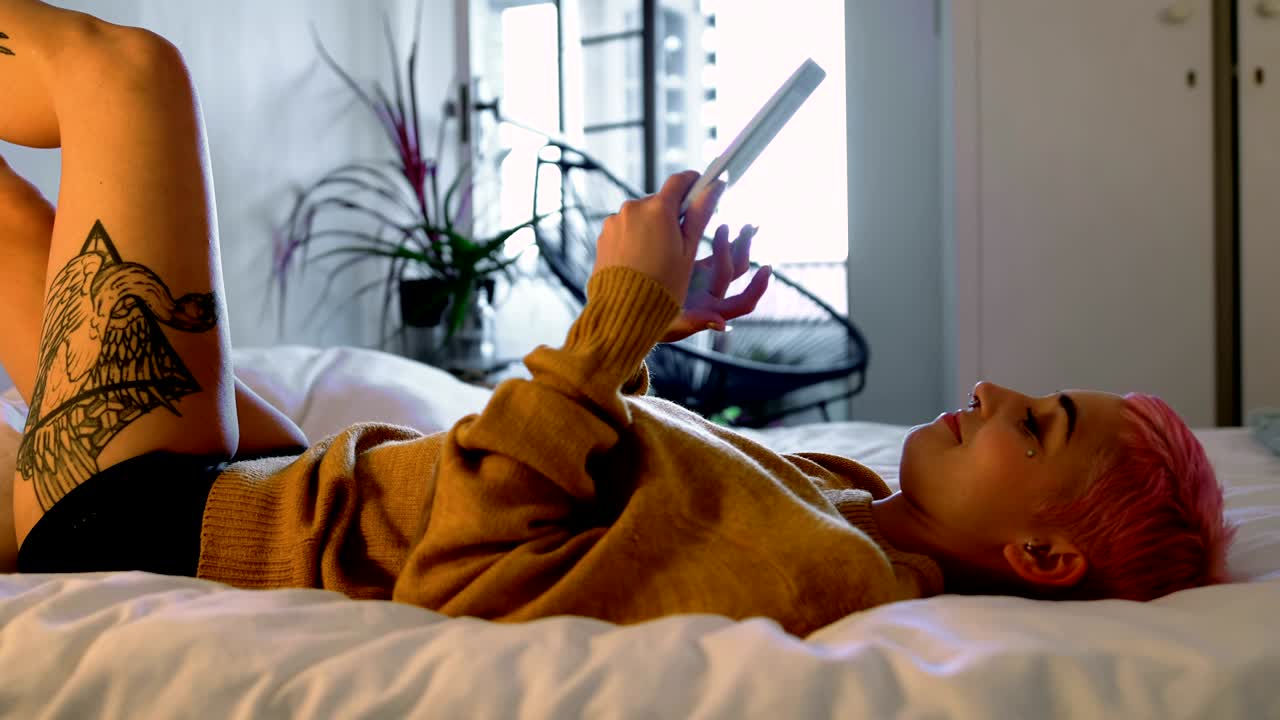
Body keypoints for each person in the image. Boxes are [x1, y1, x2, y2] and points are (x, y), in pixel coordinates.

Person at [0, 2, 1234, 636]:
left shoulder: (834, 578)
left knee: (127, 72)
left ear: (1043, 557)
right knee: (28, 244)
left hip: (167, 525)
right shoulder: (847, 507)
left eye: (1039, 426)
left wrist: (615, 316)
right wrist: (651, 340)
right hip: (277, 485)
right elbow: (607, 508)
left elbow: (476, 563)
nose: (995, 392)